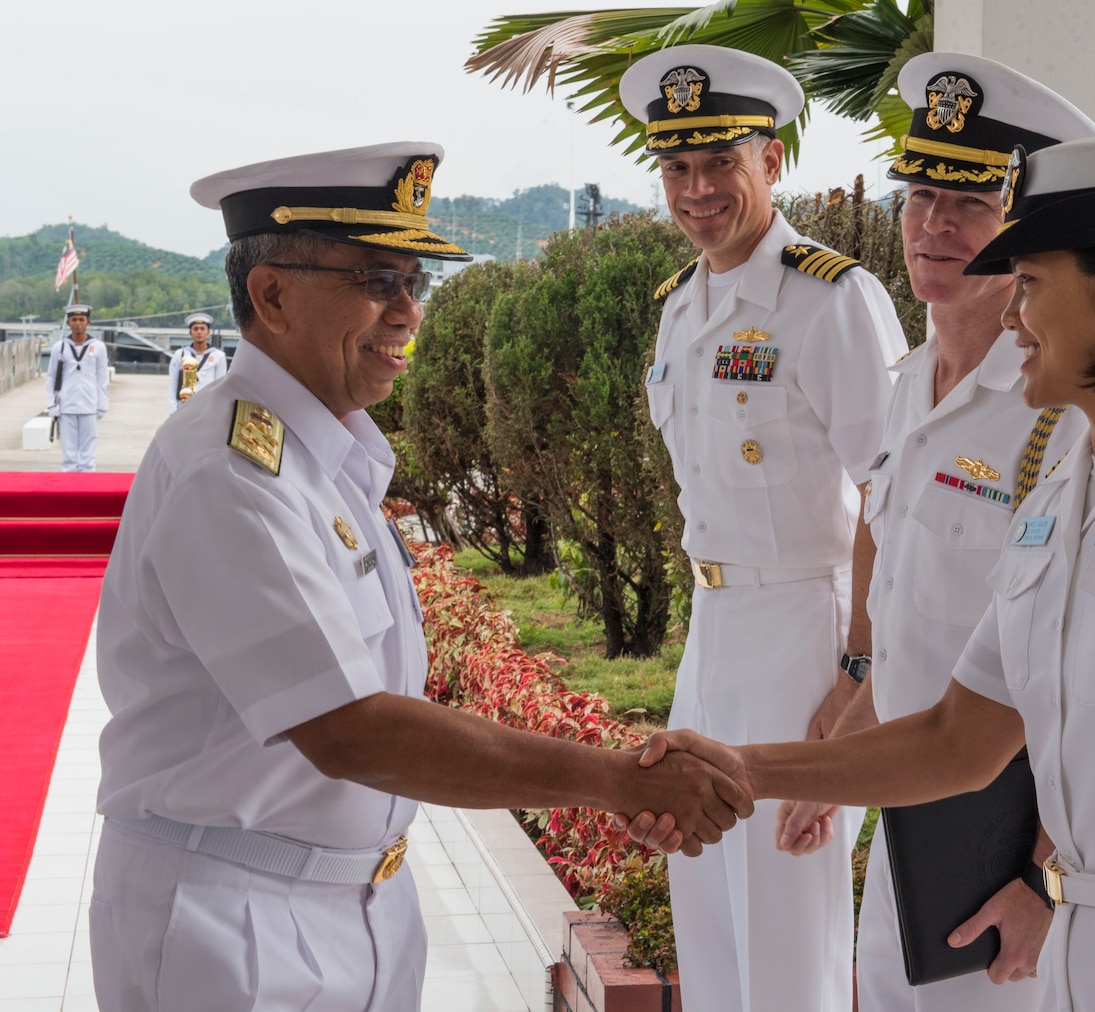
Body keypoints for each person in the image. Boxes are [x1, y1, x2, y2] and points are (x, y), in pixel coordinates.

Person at [634, 134, 1095, 1012]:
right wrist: (733, 768)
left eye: (1028, 283)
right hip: (1080, 955)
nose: (1011, 316)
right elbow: (954, 740)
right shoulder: (1061, 500)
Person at [90, 142, 750, 1012]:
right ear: (272, 295)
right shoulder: (230, 474)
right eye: (375, 281)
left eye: (416, 283)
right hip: (232, 929)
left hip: (357, 908)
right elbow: (352, 732)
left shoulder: (330, 456)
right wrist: (620, 780)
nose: (407, 313)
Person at [770, 53, 1095, 1012]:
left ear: (1025, 232)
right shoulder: (908, 384)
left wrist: (1047, 877)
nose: (933, 224)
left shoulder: (1063, 418)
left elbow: (1090, 680)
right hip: (910, 827)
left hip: (1007, 851)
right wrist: (838, 759)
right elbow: (911, 622)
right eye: (920, 193)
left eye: (969, 204)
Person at [619, 44, 908, 1012]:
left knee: (789, 905)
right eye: (676, 168)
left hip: (803, 629)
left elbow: (892, 496)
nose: (697, 190)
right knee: (705, 889)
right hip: (716, 628)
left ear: (771, 162)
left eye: (720, 165)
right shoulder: (679, 307)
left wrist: (859, 678)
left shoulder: (829, 299)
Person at [46, 303, 109, 471]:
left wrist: (102, 404)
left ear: (88, 322)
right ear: (68, 323)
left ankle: (88, 484)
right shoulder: (60, 347)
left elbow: (102, 378)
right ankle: (68, 484)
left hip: (89, 403)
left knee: (89, 452)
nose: (77, 323)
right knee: (68, 452)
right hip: (67, 403)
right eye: (74, 319)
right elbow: (51, 377)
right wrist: (51, 403)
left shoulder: (98, 347)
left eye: (81, 319)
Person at [167, 311, 227, 413]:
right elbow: (173, 384)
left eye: (202, 329)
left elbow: (220, 386)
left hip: (207, 407)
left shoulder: (218, 356)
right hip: (184, 406)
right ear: (190, 332)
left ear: (208, 332)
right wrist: (173, 411)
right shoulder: (180, 354)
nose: (199, 332)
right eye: (195, 329)